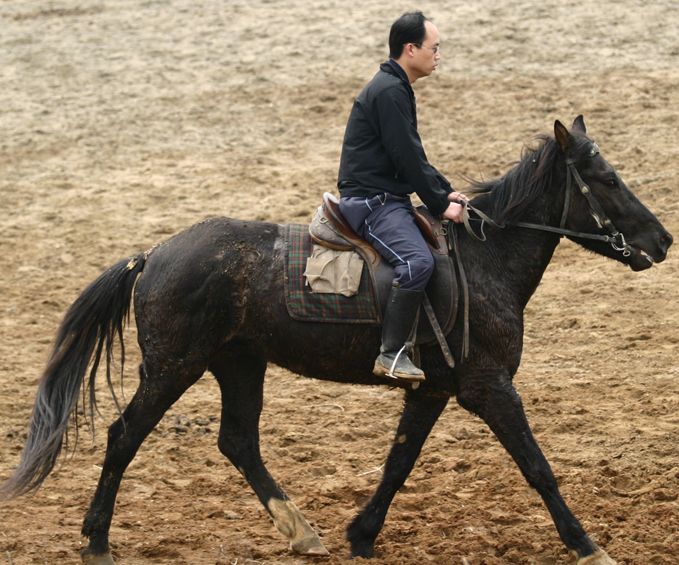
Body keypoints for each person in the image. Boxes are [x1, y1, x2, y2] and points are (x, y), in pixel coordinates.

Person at [337, 11, 466, 383]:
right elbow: (406, 158)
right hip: (371, 203)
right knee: (417, 263)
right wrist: (441, 205)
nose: (438, 55)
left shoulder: (395, 86)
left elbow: (412, 154)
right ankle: (391, 354)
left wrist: (444, 191)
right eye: (434, 48)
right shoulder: (390, 90)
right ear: (411, 49)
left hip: (386, 196)